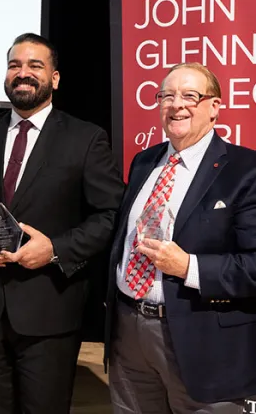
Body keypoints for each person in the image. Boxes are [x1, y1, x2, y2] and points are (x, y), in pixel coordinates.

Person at [0, 32, 124, 414]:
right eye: (14, 65)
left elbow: (110, 215)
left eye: (35, 65)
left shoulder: (86, 139)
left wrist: (56, 249)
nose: (23, 73)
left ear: (54, 78)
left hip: (50, 308)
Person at [104, 62, 256, 413]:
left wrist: (188, 266)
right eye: (167, 96)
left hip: (202, 339)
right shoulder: (143, 162)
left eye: (190, 96)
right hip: (128, 331)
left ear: (214, 107)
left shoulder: (245, 170)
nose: (177, 105)